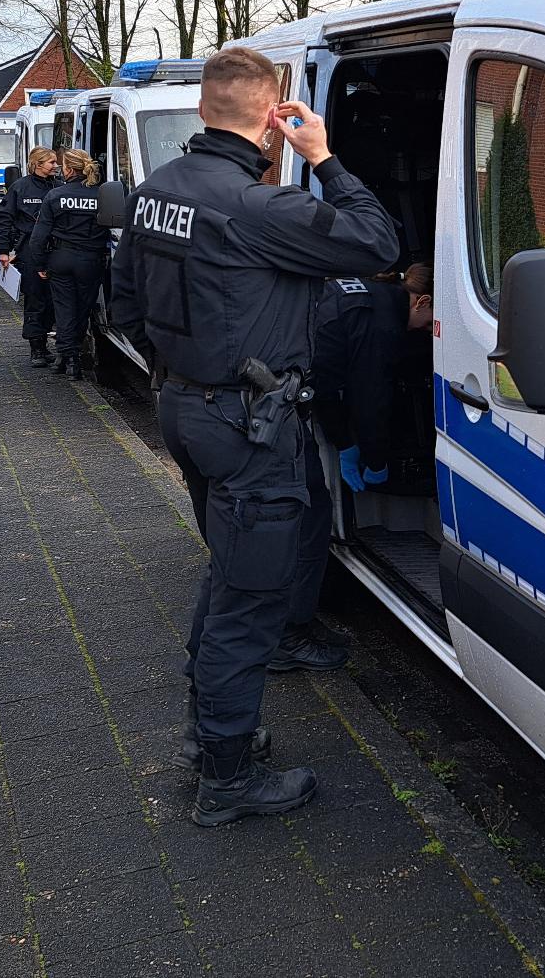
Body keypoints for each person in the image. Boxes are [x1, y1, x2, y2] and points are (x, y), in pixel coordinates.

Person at [109, 46, 399, 826]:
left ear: (204, 107)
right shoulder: (261, 207)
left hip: (186, 408)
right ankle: (227, 777)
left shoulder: (155, 192)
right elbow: (377, 243)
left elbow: (125, 304)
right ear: (274, 117)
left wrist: (188, 367)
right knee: (249, 600)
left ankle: (209, 737)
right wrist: (324, 156)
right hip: (248, 426)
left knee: (228, 575)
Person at [264, 265, 434, 674]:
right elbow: (369, 399)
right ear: (423, 301)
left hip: (279, 387)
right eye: (431, 323)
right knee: (311, 514)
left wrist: (345, 444)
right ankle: (287, 636)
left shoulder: (369, 294)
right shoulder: (382, 323)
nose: (429, 332)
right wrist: (373, 458)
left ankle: (293, 625)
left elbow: (328, 384)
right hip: (275, 408)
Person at [28, 149, 113, 381]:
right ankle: (69, 356)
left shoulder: (55, 195)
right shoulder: (102, 195)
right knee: (82, 310)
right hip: (91, 261)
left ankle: (69, 359)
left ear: (67, 169)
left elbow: (38, 237)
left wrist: (40, 264)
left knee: (64, 309)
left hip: (61, 259)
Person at [0, 147, 62, 367]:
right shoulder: (20, 187)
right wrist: (4, 250)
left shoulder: (59, 187)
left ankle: (52, 342)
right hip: (30, 250)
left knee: (55, 300)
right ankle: (37, 347)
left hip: (56, 250)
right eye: (51, 162)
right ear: (37, 164)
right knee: (35, 298)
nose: (56, 165)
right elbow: (3, 219)